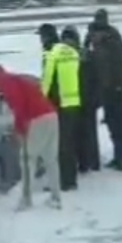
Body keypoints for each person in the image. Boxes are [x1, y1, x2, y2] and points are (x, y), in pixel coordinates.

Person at [0, 62, 61, 210]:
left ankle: (26, 200)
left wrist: (19, 129)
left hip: (37, 118)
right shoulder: (14, 79)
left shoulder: (7, 83)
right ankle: (56, 198)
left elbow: (19, 107)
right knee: (50, 159)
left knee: (27, 160)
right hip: (51, 115)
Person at [87, 9, 122, 172]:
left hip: (115, 88)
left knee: (119, 126)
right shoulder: (108, 39)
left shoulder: (111, 40)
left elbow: (117, 65)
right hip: (107, 89)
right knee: (114, 125)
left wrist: (118, 84)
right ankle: (120, 156)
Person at [38, 23, 81, 191]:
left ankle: (63, 181)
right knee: (67, 143)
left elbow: (48, 79)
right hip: (71, 100)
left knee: (60, 144)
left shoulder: (51, 52)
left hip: (58, 103)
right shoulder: (67, 50)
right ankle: (69, 179)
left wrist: (42, 99)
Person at [61, 25, 100, 173]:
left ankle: (90, 161)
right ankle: (83, 161)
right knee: (77, 133)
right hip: (74, 100)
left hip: (86, 98)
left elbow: (95, 78)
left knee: (88, 132)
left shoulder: (85, 56)